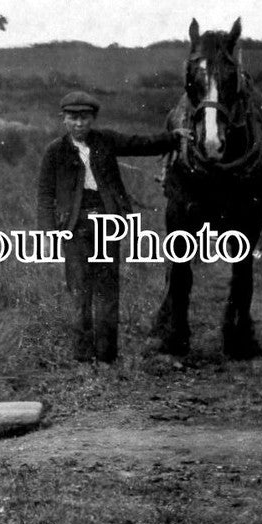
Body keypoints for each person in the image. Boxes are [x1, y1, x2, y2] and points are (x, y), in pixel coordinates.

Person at [37, 91, 191, 363]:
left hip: (109, 222)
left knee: (108, 288)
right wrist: (47, 234)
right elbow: (45, 196)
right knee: (79, 290)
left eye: (85, 118)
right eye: (73, 118)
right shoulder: (54, 151)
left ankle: (107, 355)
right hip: (73, 227)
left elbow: (141, 144)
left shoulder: (106, 140)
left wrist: (174, 137)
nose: (79, 124)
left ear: (93, 119)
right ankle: (83, 355)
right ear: (64, 120)